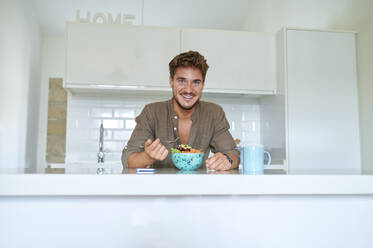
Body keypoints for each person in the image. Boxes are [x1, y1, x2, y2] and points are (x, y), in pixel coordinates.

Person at [121, 51, 240, 171]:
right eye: (181, 81)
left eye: (196, 82)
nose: (188, 90)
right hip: (159, 188)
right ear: (171, 81)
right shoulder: (151, 112)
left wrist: (227, 160)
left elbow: (233, 154)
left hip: (200, 188)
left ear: (203, 84)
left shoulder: (214, 113)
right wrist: (147, 157)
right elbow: (128, 159)